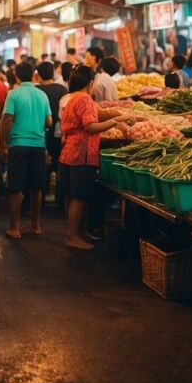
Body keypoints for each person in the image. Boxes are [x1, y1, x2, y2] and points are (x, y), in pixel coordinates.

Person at [60, 66, 132, 249]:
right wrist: (115, 122)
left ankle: (79, 232)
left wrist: (119, 114)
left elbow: (97, 113)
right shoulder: (84, 98)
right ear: (91, 82)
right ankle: (73, 236)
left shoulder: (73, 98)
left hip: (70, 152)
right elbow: (90, 126)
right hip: (81, 153)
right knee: (79, 196)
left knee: (76, 195)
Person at [1, 62, 51, 240]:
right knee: (36, 188)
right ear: (33, 75)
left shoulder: (13, 94)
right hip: (38, 145)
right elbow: (49, 122)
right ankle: (35, 225)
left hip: (18, 144)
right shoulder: (42, 95)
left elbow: (7, 120)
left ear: (16, 76)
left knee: (16, 188)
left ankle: (14, 227)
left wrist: (3, 143)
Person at [35, 62, 67, 198]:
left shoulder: (36, 90)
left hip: (40, 132)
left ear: (38, 75)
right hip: (58, 133)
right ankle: (60, 197)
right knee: (59, 164)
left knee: (42, 165)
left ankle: (41, 194)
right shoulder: (62, 89)